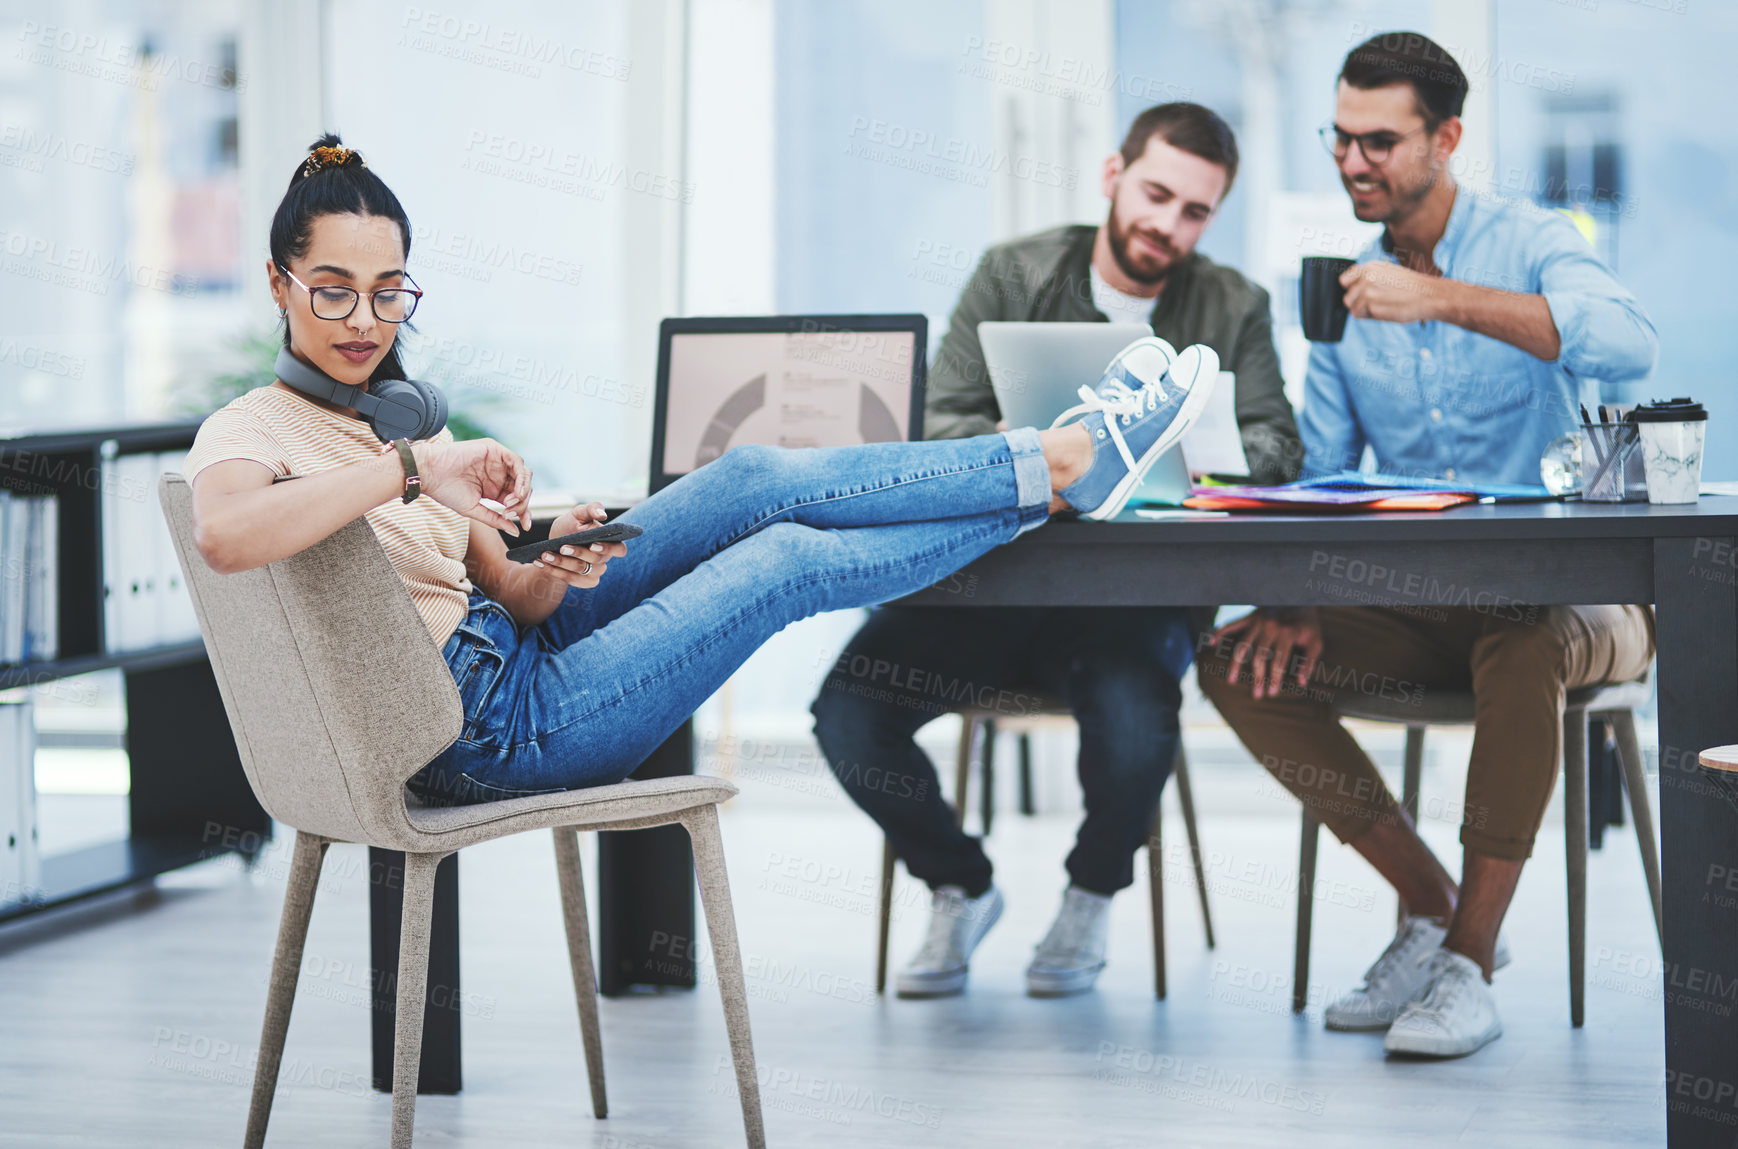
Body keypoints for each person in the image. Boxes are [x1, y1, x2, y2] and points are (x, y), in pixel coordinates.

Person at [185, 135, 1218, 808]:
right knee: (784, 566)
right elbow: (225, 536)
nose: (365, 321)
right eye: (332, 292)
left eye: (387, 292)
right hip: (488, 733)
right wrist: (411, 470)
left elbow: (517, 598)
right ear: (279, 284)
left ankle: (1054, 465)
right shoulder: (253, 430)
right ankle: (1061, 461)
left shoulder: (383, 433)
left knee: (754, 473)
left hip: (518, 652)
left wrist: (554, 555)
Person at [1197, 34, 1656, 1057]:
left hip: (1586, 605)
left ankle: (1468, 962)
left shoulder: (1530, 238)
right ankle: (1431, 910)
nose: (1353, 162)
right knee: (1239, 663)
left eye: (1380, 142)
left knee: (1520, 633)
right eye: (1340, 139)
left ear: (1445, 139)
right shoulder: (1343, 291)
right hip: (1420, 600)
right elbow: (1320, 466)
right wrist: (1292, 594)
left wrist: (1444, 298)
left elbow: (1629, 342)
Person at [811, 102, 1302, 1000]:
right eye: (1157, 194)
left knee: (1131, 714)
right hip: (987, 582)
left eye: (1196, 211)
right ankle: (960, 883)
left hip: (1131, 597)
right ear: (1114, 176)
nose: (1169, 224)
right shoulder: (1015, 272)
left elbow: (1279, 447)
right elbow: (934, 419)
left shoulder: (1234, 303)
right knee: (848, 713)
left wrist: (1180, 440)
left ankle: (1090, 893)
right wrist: (1026, 444)